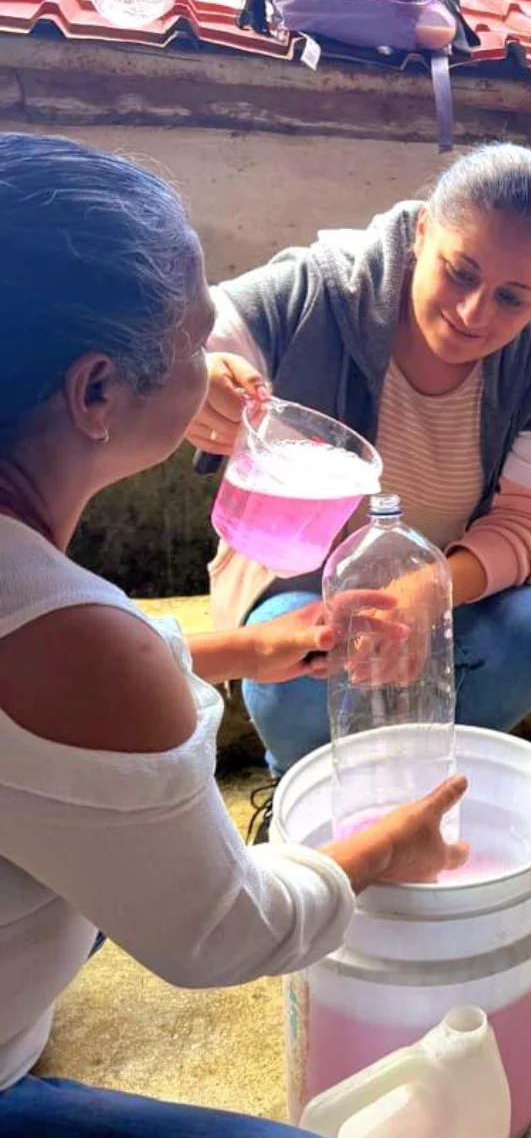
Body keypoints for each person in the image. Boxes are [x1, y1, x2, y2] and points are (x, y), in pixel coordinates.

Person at [0, 133, 469, 1136]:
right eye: (197, 334)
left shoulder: (50, 608)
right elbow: (217, 934)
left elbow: (38, 709)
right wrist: (384, 849)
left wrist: (240, 649)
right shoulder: (78, 638)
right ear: (95, 393)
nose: (222, 362)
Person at [187, 144, 531, 802]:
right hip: (303, 575)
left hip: (446, 578)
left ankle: (424, 795)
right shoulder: (318, 291)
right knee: (295, 685)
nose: (474, 314)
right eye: (459, 273)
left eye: (512, 299)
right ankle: (303, 790)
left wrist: (429, 586)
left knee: (524, 641)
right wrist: (194, 381)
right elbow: (167, 339)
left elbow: (528, 519)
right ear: (423, 228)